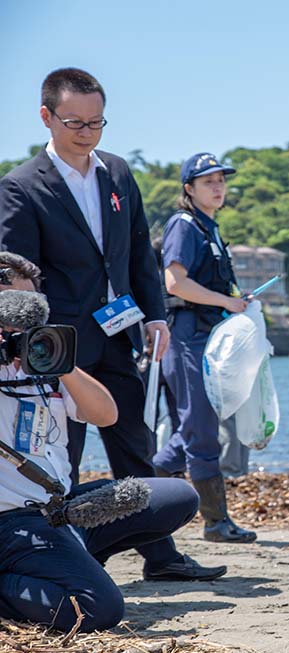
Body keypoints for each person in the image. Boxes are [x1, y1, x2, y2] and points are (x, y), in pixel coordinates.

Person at [0, 69, 222, 581]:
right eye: (74, 121)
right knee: (65, 451)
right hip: (57, 342)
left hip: (120, 331)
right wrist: (39, 339)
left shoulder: (118, 173)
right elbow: (16, 275)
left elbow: (140, 254)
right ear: (46, 117)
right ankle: (70, 550)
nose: (87, 132)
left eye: (97, 122)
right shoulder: (21, 186)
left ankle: (161, 558)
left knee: (133, 441)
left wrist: (156, 316)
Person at [0, 278, 217, 633]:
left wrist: (61, 360)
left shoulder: (48, 373)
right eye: (11, 332)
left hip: (60, 509)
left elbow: (106, 414)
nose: (20, 340)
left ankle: (73, 556)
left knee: (177, 498)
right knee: (99, 609)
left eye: (30, 331)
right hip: (13, 523)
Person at [152, 153, 256, 544]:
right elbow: (174, 283)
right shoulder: (184, 224)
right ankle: (215, 523)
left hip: (204, 338)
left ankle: (145, 492)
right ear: (188, 189)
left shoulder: (208, 227)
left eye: (221, 181)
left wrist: (233, 298)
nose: (217, 187)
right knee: (202, 431)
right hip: (186, 337)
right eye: (207, 181)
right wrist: (226, 302)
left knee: (191, 430)